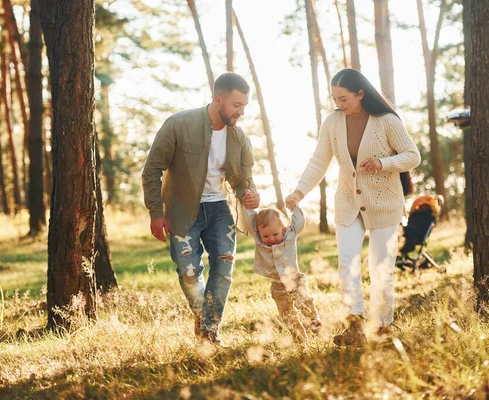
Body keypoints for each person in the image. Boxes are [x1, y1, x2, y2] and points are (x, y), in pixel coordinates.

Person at [285, 68, 421, 347]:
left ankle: (383, 327)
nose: (338, 104)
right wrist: (299, 191)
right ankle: (355, 326)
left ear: (360, 94)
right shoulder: (332, 123)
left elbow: (412, 156)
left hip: (384, 203)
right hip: (348, 203)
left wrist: (385, 163)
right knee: (347, 264)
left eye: (344, 98)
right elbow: (318, 161)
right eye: (334, 98)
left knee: (380, 267)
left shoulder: (386, 121)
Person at [142, 72, 260, 347]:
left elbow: (243, 180)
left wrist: (249, 196)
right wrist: (156, 213)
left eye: (244, 105)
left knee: (225, 267)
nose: (241, 112)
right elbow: (152, 170)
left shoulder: (239, 137)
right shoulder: (178, 124)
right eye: (236, 105)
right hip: (182, 209)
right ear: (218, 99)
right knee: (188, 270)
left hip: (219, 208)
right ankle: (205, 321)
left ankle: (208, 332)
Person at [241, 197, 321, 342]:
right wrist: (248, 206)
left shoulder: (289, 235)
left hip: (295, 280)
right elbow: (249, 222)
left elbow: (299, 223)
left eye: (275, 234)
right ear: (259, 233)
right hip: (277, 286)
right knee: (286, 314)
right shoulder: (259, 240)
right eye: (266, 235)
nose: (271, 239)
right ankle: (299, 338)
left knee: (305, 303)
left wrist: (295, 207)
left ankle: (314, 323)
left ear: (282, 229)